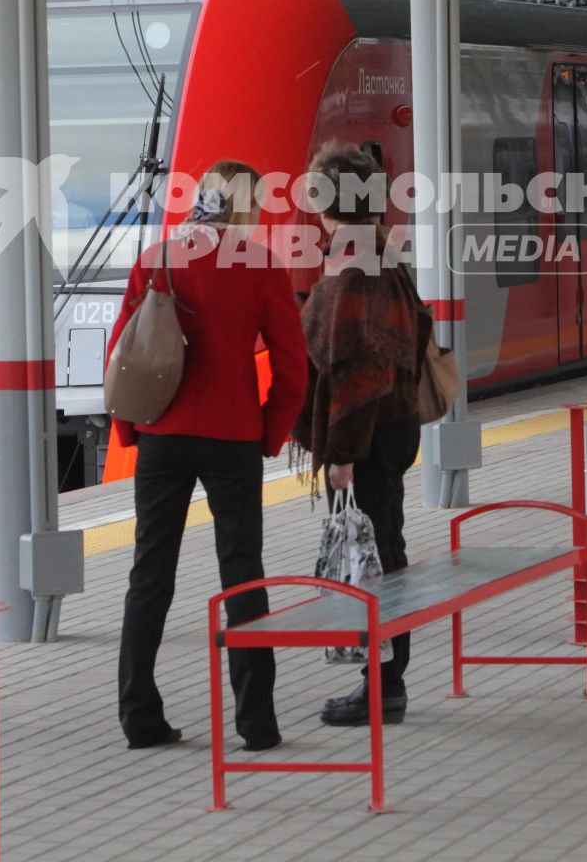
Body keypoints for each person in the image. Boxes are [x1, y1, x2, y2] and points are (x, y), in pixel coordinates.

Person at [111, 161, 308, 753]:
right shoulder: (260, 267)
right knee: (242, 570)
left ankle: (139, 719)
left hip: (164, 436)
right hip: (232, 438)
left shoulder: (156, 260)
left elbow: (123, 354)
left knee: (150, 572)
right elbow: (293, 369)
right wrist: (268, 433)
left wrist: (131, 428)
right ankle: (256, 723)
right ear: (248, 206)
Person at [292, 142, 426, 728]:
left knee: (375, 558)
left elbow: (357, 367)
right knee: (383, 550)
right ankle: (383, 681)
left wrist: (343, 453)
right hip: (391, 427)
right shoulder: (381, 251)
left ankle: (384, 688)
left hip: (368, 437)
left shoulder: (352, 264)